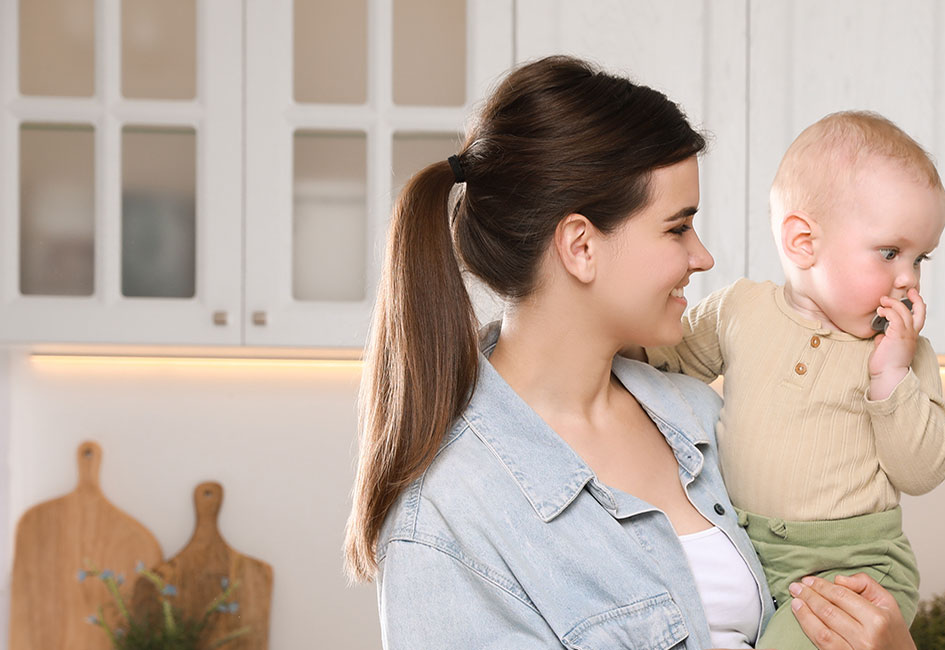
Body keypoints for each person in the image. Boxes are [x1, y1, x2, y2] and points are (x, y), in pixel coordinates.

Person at [342, 55, 916, 650]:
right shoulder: (447, 518)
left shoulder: (701, 417)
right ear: (580, 246)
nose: (702, 257)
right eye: (677, 228)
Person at [635, 111, 945, 650]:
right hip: (751, 552)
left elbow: (922, 471)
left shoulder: (902, 354)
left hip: (851, 571)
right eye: (890, 253)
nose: (909, 278)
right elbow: (661, 363)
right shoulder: (740, 309)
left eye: (920, 259)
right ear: (804, 242)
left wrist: (891, 375)